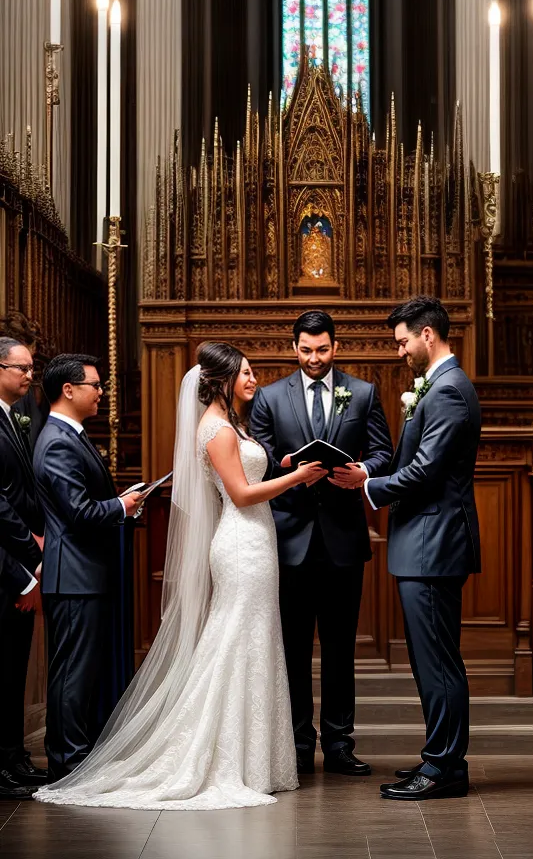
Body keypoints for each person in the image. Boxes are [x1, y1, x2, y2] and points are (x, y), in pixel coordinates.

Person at [34, 342, 327, 809]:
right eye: (246, 373)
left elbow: (247, 474)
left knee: (254, 639)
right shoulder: (219, 430)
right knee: (235, 639)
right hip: (242, 542)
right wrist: (296, 478)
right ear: (224, 380)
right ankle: (220, 755)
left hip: (256, 542)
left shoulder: (229, 426)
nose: (254, 380)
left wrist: (286, 465)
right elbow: (243, 494)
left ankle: (256, 759)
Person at [338, 296, 481, 801]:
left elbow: (426, 471)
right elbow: (413, 459)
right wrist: (369, 472)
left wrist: (368, 489)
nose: (399, 352)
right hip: (425, 541)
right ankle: (439, 758)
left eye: (402, 342)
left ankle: (444, 767)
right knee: (429, 660)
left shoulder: (446, 391)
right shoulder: (439, 386)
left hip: (434, 542)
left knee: (437, 660)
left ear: (427, 335)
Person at [249, 310, 392, 776]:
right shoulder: (269, 397)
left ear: (335, 346)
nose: (315, 358)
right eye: (307, 350)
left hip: (343, 541)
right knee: (291, 649)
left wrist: (362, 472)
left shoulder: (364, 392)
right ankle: (294, 744)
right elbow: (261, 460)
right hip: (289, 540)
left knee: (339, 648)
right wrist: (288, 467)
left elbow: (385, 452)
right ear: (294, 348)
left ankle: (339, 744)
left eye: (323, 349)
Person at [31, 355, 144, 782]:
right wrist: (122, 504)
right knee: (73, 673)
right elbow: (77, 512)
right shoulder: (59, 439)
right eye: (95, 385)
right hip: (74, 574)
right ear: (68, 390)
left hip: (81, 573)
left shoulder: (70, 434)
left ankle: (74, 755)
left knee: (78, 670)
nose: (102, 392)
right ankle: (68, 761)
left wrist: (120, 503)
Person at [0, 337, 48, 794]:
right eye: (22, 368)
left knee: (13, 667)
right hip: (5, 561)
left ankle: (13, 757)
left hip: (18, 559)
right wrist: (31, 549)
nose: (30, 375)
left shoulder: (20, 414)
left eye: (32, 368)